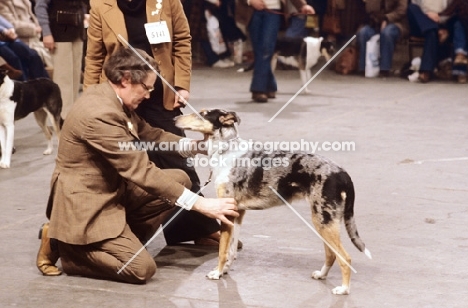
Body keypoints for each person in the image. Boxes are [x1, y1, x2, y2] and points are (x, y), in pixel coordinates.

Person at [36, 46, 239, 282]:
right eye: (147, 87)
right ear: (126, 79)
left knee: (179, 179)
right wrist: (202, 204)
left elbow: (152, 135)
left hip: (111, 187)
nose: (150, 94)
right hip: (86, 201)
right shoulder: (100, 114)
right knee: (140, 269)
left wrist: (197, 147)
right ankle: (67, 248)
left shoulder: (114, 99)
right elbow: (141, 171)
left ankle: (120, 239)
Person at [84, 0, 225, 247]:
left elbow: (182, 39)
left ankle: (197, 228)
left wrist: (182, 83)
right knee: (120, 164)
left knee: (176, 159)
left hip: (159, 93)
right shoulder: (99, 5)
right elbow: (95, 55)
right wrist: (92, 98)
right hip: (122, 93)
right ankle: (104, 229)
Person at [235, 0, 315, 103]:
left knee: (266, 49)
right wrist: (250, 1)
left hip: (273, 12)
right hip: (252, 11)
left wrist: (303, 5)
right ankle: (270, 85)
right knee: (259, 51)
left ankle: (258, 89)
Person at [34, 0, 88, 119]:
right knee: (64, 78)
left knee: (74, 77)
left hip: (77, 31)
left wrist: (82, 15)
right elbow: (40, 7)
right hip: (59, 32)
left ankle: (72, 114)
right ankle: (63, 117)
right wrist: (47, 33)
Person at [407, 0, 468, 83]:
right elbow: (415, 4)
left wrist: (440, 19)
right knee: (412, 8)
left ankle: (426, 71)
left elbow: (452, 10)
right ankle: (435, 29)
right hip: (422, 21)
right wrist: (427, 14)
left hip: (441, 22)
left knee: (431, 33)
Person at [356, 0, 408, 78]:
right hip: (376, 22)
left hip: (396, 22)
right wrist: (375, 17)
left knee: (387, 33)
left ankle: (385, 68)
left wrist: (386, 18)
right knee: (363, 32)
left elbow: (402, 10)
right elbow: (369, 9)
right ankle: (364, 67)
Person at [0, 0, 53, 72]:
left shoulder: (24, 1)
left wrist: (38, 27)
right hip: (19, 39)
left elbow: (31, 17)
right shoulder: (3, 3)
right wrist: (34, 29)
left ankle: (45, 82)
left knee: (35, 57)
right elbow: (11, 25)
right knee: (28, 56)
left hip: (34, 38)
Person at [0, 14, 49, 80]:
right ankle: (23, 87)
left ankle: (45, 85)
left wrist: (11, 29)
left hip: (8, 39)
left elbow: (3, 20)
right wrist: (4, 31)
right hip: (2, 42)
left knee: (32, 55)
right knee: (14, 59)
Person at [439, 0, 468, 83]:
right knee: (459, 24)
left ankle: (460, 58)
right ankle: (460, 57)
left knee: (460, 26)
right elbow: (447, 13)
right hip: (459, 25)